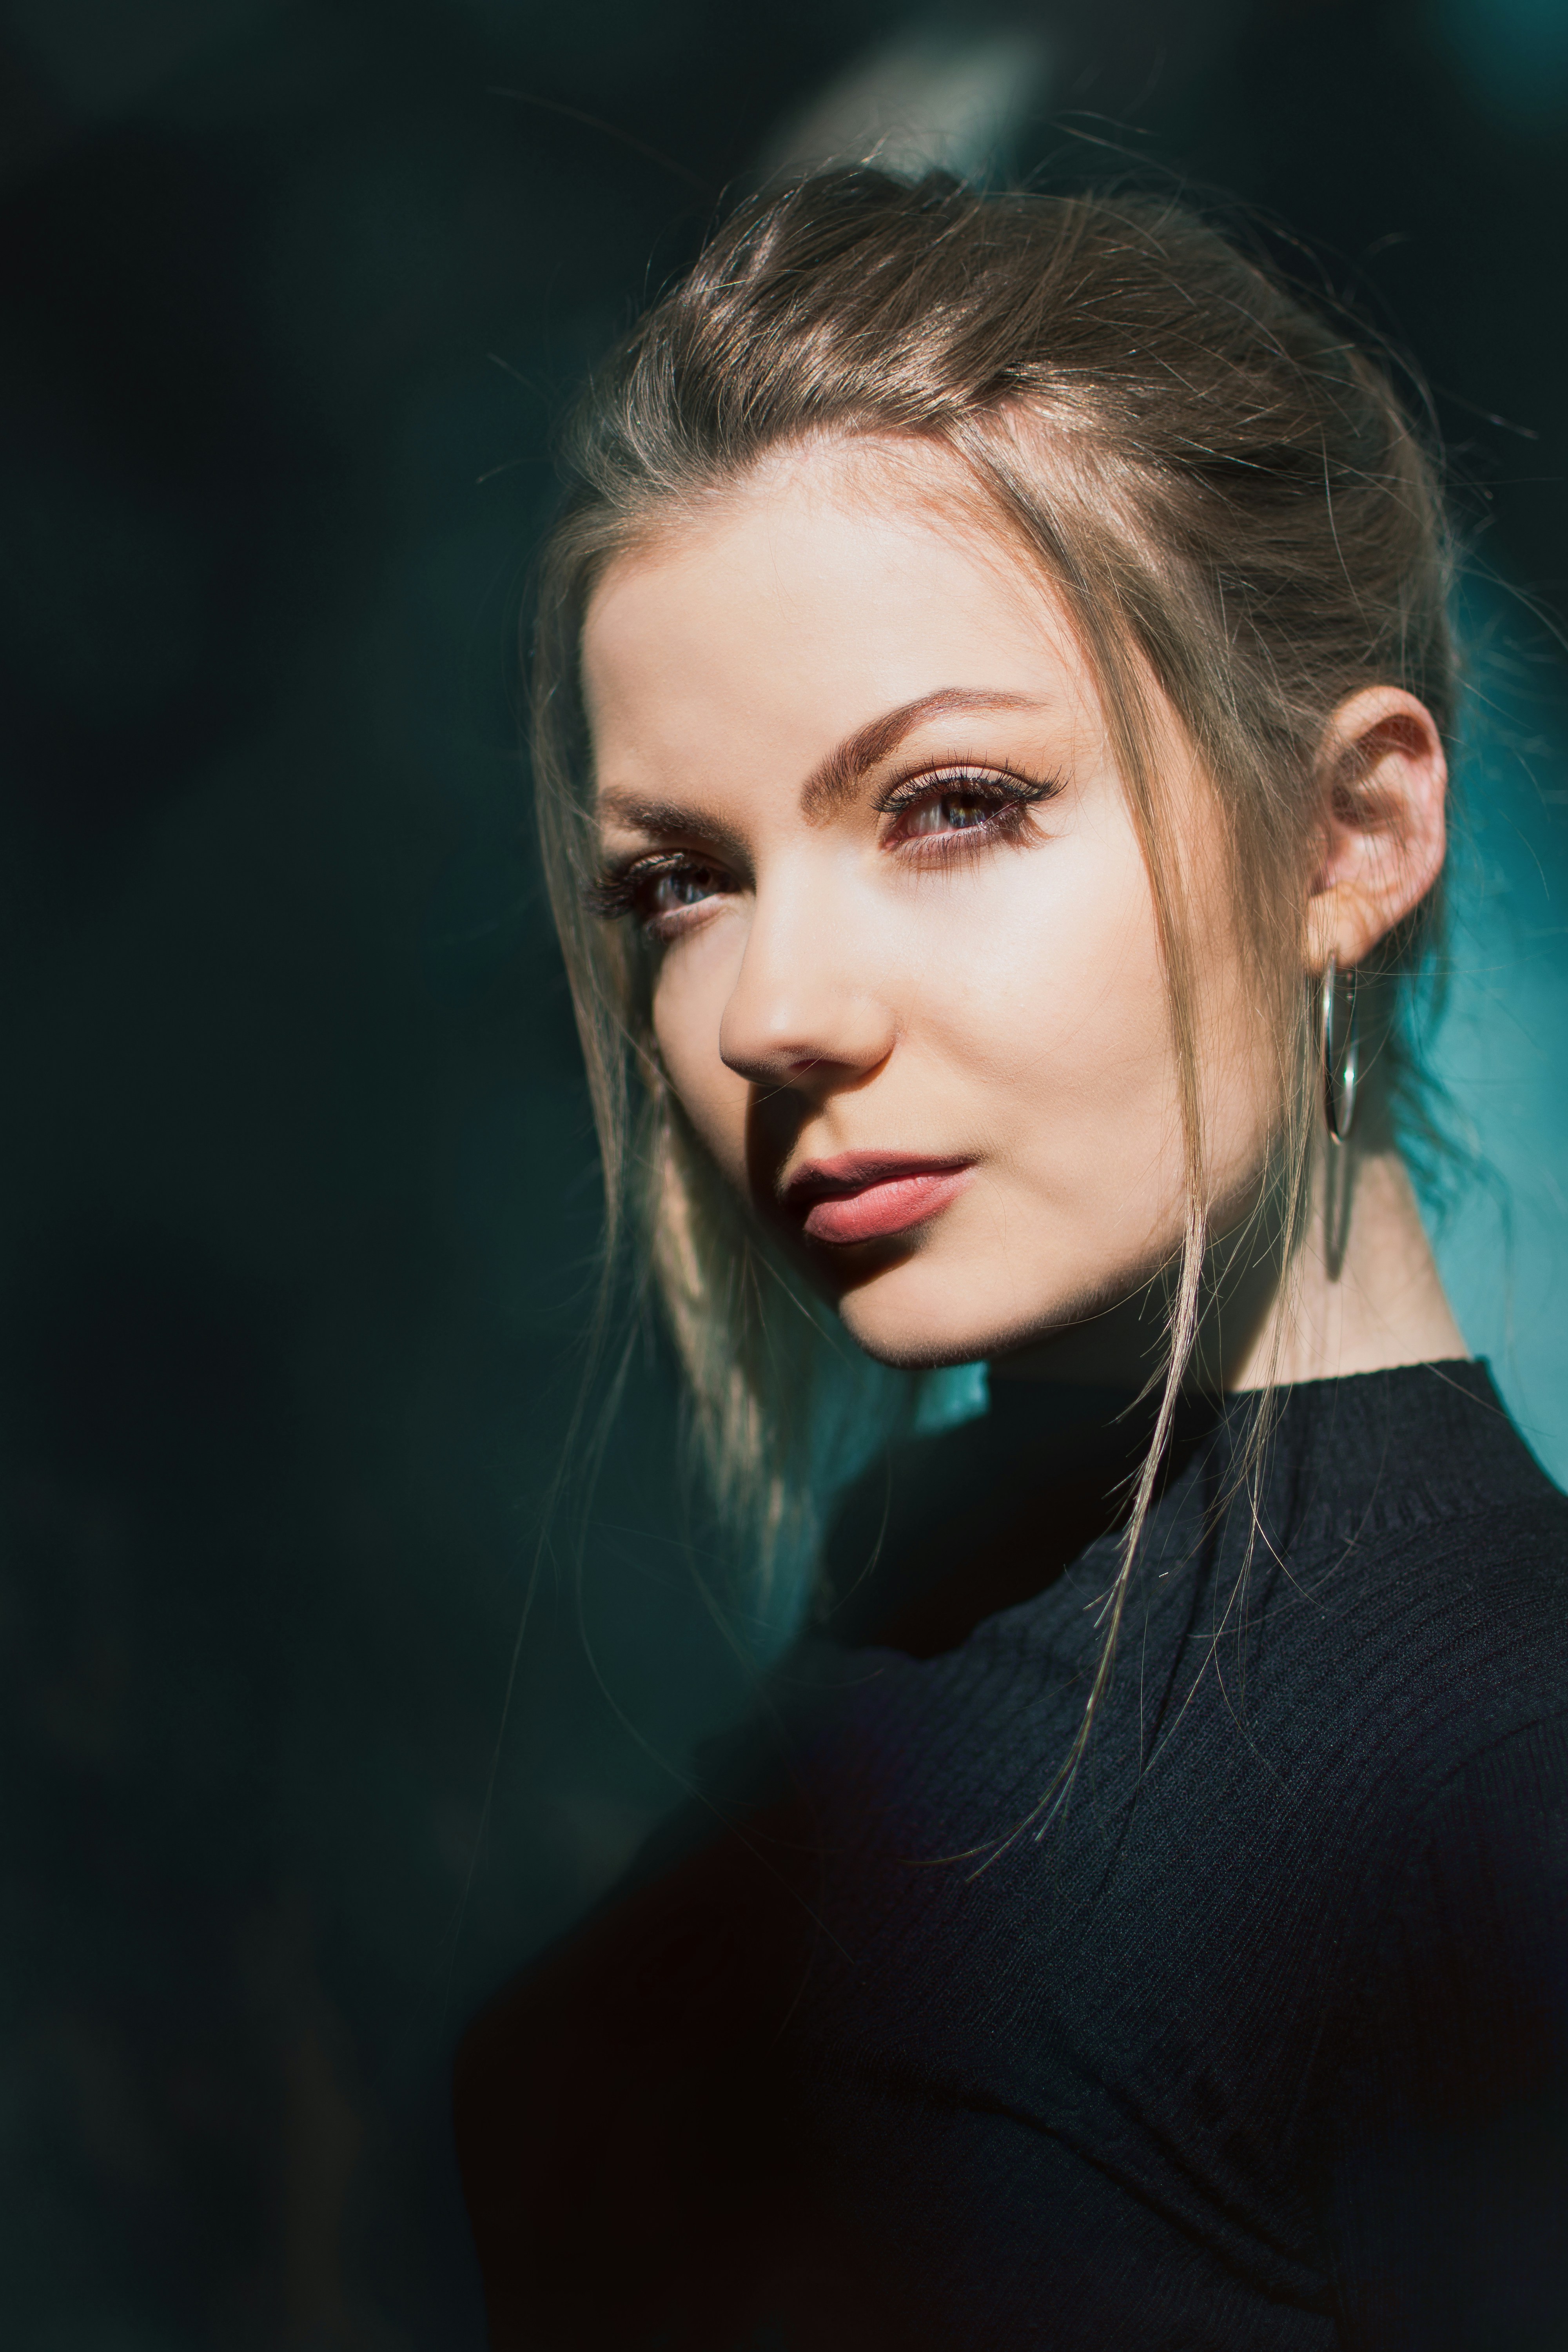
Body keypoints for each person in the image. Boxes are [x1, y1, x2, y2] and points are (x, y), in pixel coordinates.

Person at [453, 169, 1568, 2348]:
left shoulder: (1493, 1796)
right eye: (680, 879)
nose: (773, 1010)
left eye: (951, 802)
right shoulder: (954, 1582)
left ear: (1353, 834)